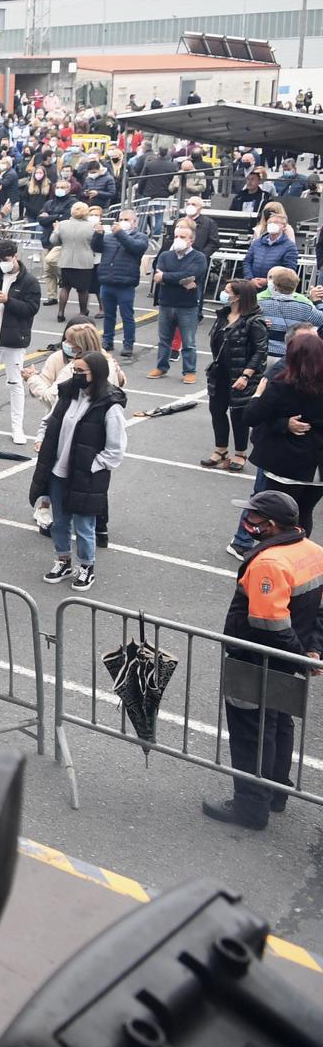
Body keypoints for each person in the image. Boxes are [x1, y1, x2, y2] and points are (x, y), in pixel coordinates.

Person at [200, 489, 323, 829]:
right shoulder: (313, 551)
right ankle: (277, 792)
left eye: (253, 518)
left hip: (256, 661)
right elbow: (320, 612)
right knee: (280, 724)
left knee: (252, 733)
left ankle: (251, 808)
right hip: (288, 659)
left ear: (271, 526)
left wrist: (303, 658)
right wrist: (312, 652)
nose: (246, 522)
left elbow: (268, 624)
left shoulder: (270, 562)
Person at [33, 350, 127, 589]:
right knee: (60, 521)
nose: (75, 375)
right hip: (57, 471)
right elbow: (49, 420)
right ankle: (63, 560)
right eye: (73, 370)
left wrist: (92, 466)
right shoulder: (67, 393)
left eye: (80, 371)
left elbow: (115, 449)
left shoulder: (110, 405)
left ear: (95, 374)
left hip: (85, 476)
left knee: (85, 525)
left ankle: (86, 567)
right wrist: (42, 439)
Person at [229, 329, 323, 559]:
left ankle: (272, 557)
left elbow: (251, 416)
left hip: (286, 464)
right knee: (304, 513)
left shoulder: (282, 386)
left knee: (275, 516)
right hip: (318, 468)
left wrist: (258, 394)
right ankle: (297, 557)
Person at [0, 239, 41, 444]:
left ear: (15, 257)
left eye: (5, 259)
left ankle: (17, 427)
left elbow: (31, 309)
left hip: (14, 338)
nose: (1, 263)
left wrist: (8, 301)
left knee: (15, 382)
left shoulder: (29, 281)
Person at [205, 281, 272, 475]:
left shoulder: (254, 320)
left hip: (241, 375)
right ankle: (221, 449)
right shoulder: (223, 315)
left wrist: (246, 375)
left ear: (238, 297)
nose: (223, 294)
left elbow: (260, 351)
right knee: (217, 410)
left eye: (227, 291)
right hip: (220, 372)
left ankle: (240, 453)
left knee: (238, 414)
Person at [149, 218, 210, 381]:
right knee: (164, 340)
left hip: (187, 306)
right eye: (177, 236)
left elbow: (191, 275)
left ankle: (189, 371)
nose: (178, 240)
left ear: (191, 240)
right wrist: (181, 280)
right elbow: (158, 275)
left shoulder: (199, 257)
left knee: (188, 342)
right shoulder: (165, 256)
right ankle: (161, 367)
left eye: (183, 237)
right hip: (166, 303)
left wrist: (167, 277)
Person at [91, 209, 149, 359]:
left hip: (126, 283)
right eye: (121, 219)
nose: (123, 222)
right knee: (109, 315)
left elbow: (134, 247)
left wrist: (119, 233)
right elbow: (96, 247)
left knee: (127, 316)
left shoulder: (140, 237)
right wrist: (98, 234)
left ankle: (128, 344)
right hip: (107, 281)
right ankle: (107, 340)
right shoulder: (110, 237)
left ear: (134, 222)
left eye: (126, 219)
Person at [49, 201, 99, 321]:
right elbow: (95, 243)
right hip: (84, 261)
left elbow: (53, 241)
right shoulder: (91, 226)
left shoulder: (63, 224)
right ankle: (82, 312)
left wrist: (56, 230)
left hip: (66, 260)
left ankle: (61, 312)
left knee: (65, 287)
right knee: (83, 290)